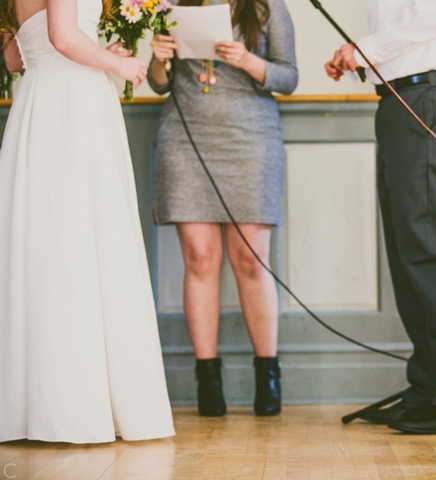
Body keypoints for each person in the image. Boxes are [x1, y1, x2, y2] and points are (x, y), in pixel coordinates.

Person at [0, 0, 175, 443]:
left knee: (45, 247)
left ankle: (32, 405)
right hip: (72, 108)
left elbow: (15, 56)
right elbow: (63, 36)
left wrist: (99, 51)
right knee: (81, 242)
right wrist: (125, 65)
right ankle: (77, 405)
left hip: (37, 101)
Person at [325, 0, 436, 434]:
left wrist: (360, 51)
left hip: (434, 98)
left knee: (430, 248)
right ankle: (431, 388)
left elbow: (435, 13)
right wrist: (359, 55)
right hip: (402, 101)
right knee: (408, 252)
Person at [147, 0, 297, 417]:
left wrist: (248, 60)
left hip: (250, 141)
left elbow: (289, 77)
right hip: (185, 139)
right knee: (200, 259)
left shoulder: (268, 8)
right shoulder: (171, 7)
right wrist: (158, 59)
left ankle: (268, 374)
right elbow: (158, 83)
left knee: (251, 261)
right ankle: (207, 379)